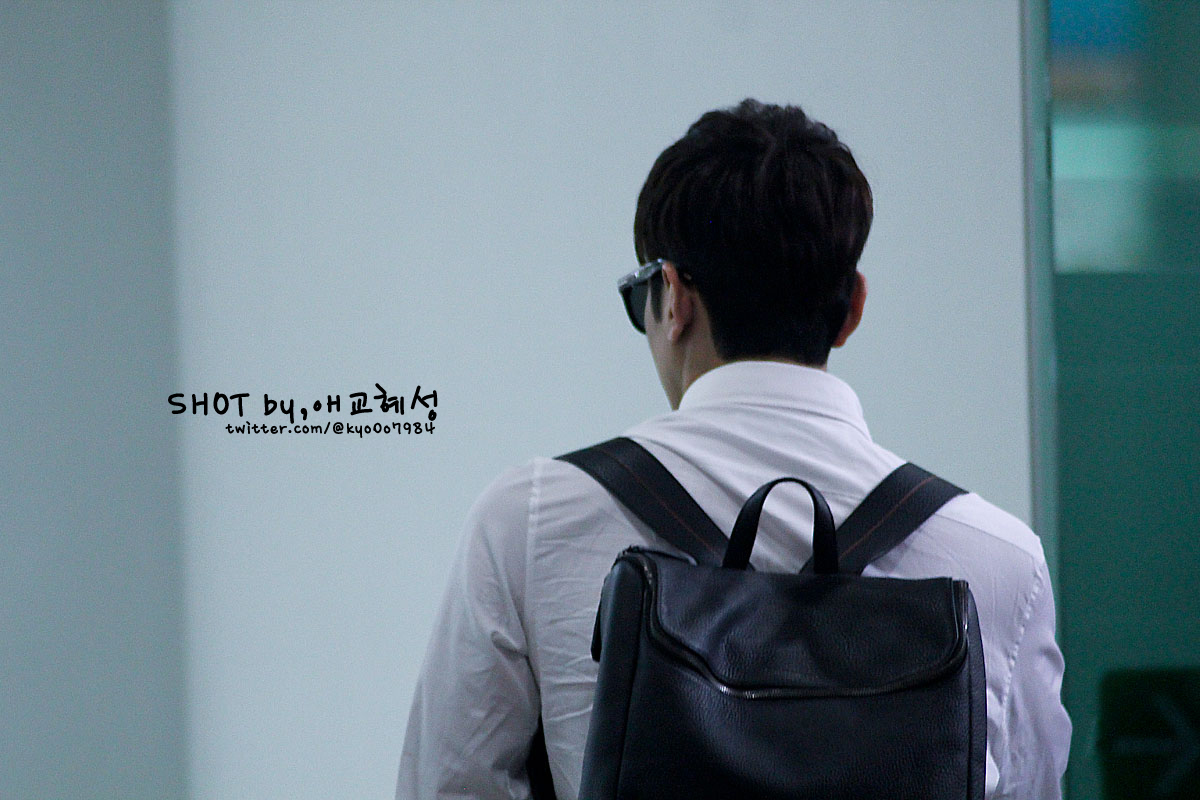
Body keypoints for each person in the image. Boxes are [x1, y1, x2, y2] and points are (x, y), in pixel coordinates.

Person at [396, 99, 1071, 800]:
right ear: (853, 308)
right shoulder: (1000, 561)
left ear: (673, 297)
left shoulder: (533, 519)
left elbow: (447, 787)